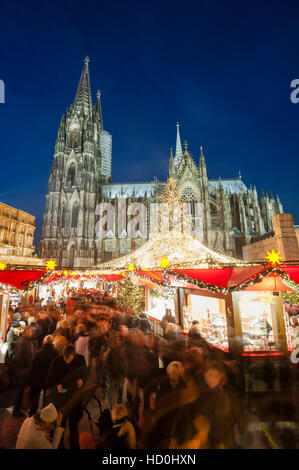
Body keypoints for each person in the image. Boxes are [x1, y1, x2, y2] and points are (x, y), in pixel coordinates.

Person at [45, 344, 88, 449]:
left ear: (74, 356)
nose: (67, 361)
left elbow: (85, 374)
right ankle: (59, 446)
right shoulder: (56, 361)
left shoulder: (80, 360)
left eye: (70, 359)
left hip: (74, 400)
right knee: (60, 426)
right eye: (65, 358)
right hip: (61, 401)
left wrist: (82, 380)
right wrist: (57, 386)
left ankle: (74, 446)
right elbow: (49, 380)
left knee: (74, 427)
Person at [28, 335, 59, 416]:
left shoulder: (38, 353)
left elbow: (32, 367)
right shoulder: (56, 353)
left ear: (44, 342)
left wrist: (28, 381)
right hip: (49, 380)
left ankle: (32, 416)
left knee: (34, 400)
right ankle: (44, 416)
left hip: (37, 380)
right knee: (47, 400)